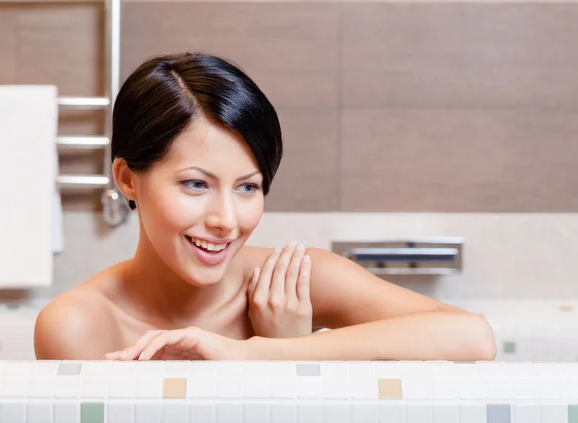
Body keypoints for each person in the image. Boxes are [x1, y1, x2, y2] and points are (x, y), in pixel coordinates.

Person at [34, 52, 497, 362]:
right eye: (196, 184)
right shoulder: (77, 325)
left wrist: (264, 352)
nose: (227, 221)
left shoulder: (292, 283)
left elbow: (472, 339)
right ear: (127, 178)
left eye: (248, 188)